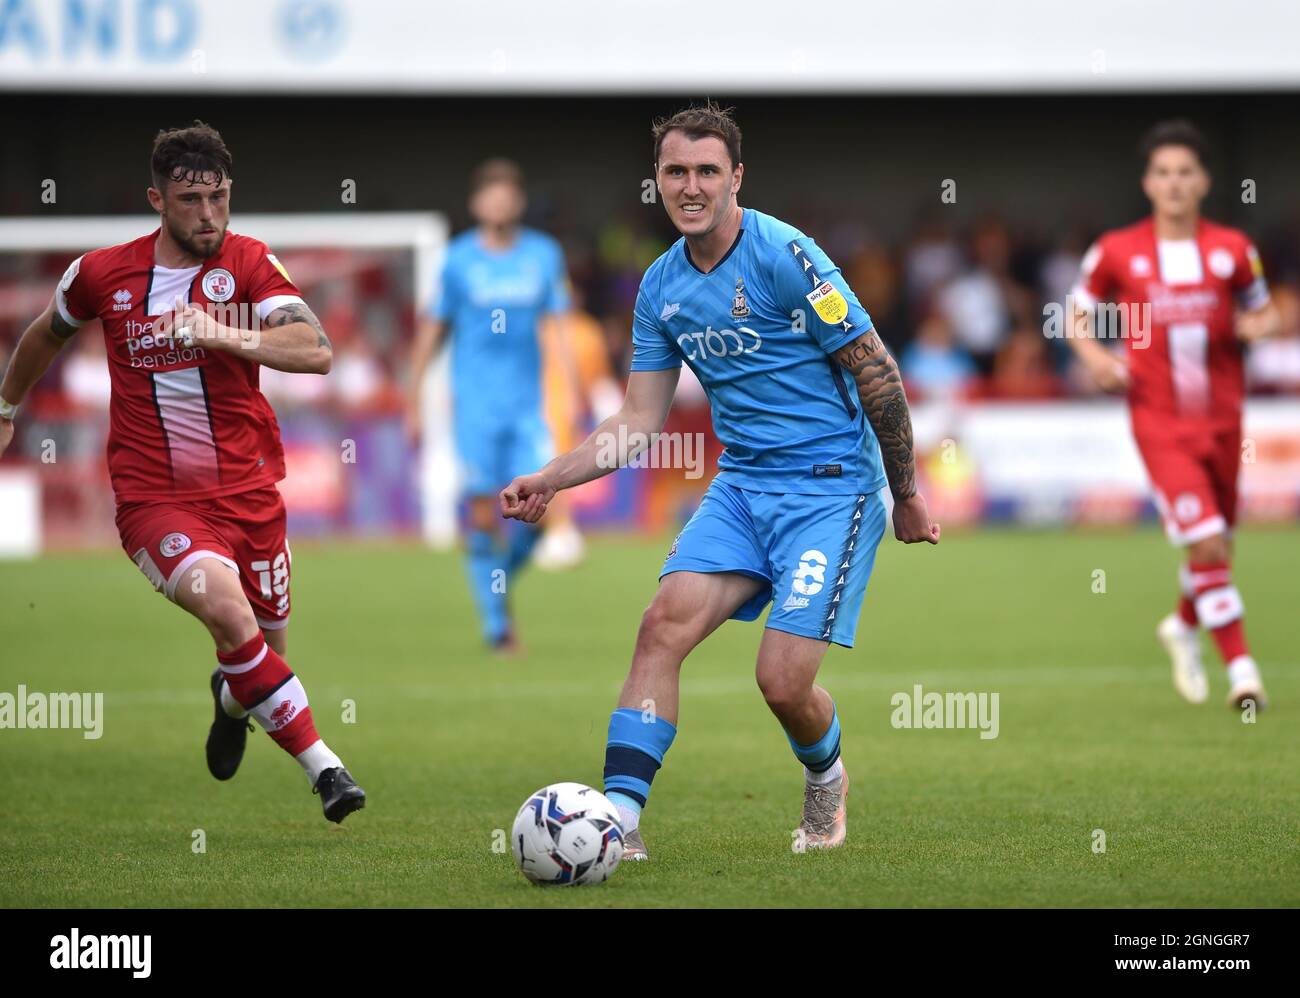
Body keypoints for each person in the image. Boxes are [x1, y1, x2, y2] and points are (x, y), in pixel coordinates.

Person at [501, 103, 938, 859]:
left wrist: (905, 493)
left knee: (781, 682)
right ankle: (619, 826)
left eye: (708, 171)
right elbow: (636, 420)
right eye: (676, 171)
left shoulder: (788, 257)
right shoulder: (660, 287)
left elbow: (877, 370)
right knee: (661, 625)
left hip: (831, 489)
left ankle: (825, 774)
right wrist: (551, 478)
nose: (691, 185)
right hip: (741, 487)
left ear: (736, 177)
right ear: (658, 181)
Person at [0, 121, 365, 822]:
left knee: (259, 652)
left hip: (252, 495)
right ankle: (328, 771)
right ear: (157, 200)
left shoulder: (252, 264)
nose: (208, 215)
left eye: (219, 198)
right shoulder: (103, 273)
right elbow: (46, 330)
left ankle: (230, 701)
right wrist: (7, 405)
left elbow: (316, 350)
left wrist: (219, 331)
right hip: (154, 499)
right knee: (229, 614)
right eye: (191, 200)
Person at [1069, 120, 1281, 709]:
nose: (1174, 183)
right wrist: (1095, 358)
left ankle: (1183, 625)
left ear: (1205, 180)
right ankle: (1243, 673)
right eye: (1163, 172)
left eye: (1185, 172)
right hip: (1160, 423)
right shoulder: (1118, 250)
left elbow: (1266, 313)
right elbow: (1075, 315)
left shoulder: (1233, 250)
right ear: (1147, 182)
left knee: (1216, 546)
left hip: (1224, 422)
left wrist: (1255, 326)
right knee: (1208, 540)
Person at [406, 159, 575, 650]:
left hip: (527, 409)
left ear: (518, 202)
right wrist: (413, 400)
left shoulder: (543, 255)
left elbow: (558, 327)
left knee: (538, 509)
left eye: (508, 195)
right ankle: (498, 626)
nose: (499, 204)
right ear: (478, 203)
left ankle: (493, 580)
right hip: (475, 408)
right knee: (484, 514)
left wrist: (576, 389)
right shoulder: (458, 260)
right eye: (491, 195)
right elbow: (432, 332)